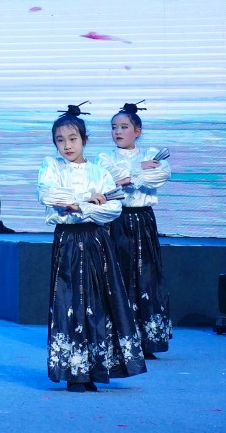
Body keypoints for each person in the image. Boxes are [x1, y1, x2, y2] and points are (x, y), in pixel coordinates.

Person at [38, 103, 146, 391]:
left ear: (84, 139)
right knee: (69, 302)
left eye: (73, 139)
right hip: (68, 241)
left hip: (97, 241)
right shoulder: (51, 167)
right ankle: (74, 372)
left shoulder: (99, 171)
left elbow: (113, 207)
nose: (67, 145)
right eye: (60, 140)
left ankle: (96, 368)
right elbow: (50, 196)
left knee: (98, 302)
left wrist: (81, 206)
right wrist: (88, 199)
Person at [97, 102, 172, 358]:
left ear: (137, 131)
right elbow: (109, 179)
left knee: (146, 277)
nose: (118, 132)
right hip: (116, 220)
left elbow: (161, 175)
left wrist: (131, 177)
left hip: (142, 220)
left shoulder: (151, 153)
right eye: (114, 127)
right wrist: (140, 169)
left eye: (124, 127)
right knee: (118, 276)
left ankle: (146, 339)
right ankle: (120, 338)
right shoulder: (105, 157)